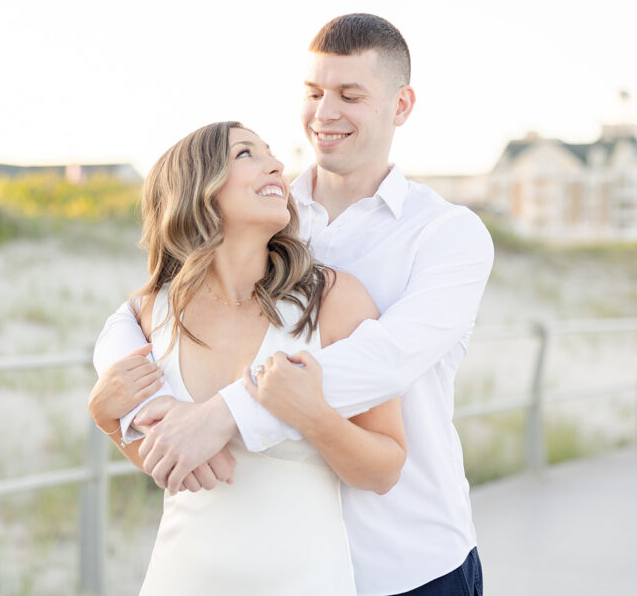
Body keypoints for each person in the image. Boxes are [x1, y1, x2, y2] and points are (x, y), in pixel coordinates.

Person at [93, 14, 493, 595]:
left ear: (400, 105)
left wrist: (222, 413)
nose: (324, 113)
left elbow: (385, 360)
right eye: (314, 93)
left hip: (405, 558)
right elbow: (133, 317)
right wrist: (123, 403)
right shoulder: (267, 217)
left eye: (350, 95)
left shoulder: (446, 235)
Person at [89, 120, 407, 595]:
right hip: (180, 579)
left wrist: (313, 415)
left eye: (271, 153)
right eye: (246, 154)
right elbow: (168, 461)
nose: (276, 165)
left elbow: (385, 469)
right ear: (196, 187)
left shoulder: (333, 301)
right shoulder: (152, 312)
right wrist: (107, 418)